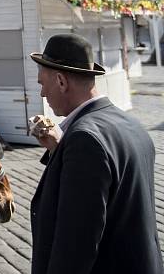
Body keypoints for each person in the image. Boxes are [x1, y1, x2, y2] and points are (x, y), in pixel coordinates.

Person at [29, 33, 162, 274]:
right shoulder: (131, 125)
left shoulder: (84, 140)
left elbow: (75, 247)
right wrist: (60, 148)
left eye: (42, 84)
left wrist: (72, 145)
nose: (42, 94)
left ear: (61, 81)